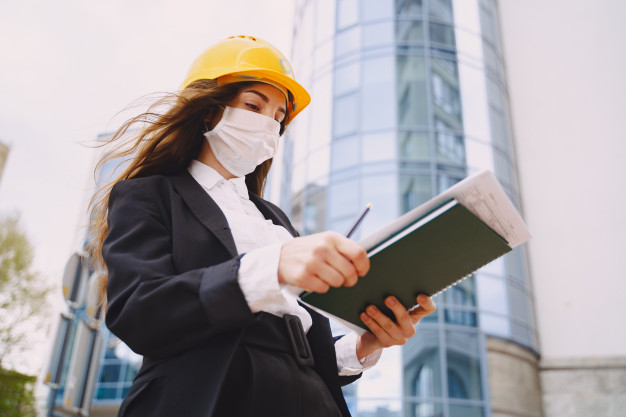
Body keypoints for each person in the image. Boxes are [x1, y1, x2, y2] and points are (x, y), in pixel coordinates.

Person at [88, 35, 436, 417]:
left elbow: (302, 343)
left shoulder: (275, 219)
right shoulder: (149, 195)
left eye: (278, 118)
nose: (268, 125)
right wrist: (271, 266)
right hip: (209, 400)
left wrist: (363, 345)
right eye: (254, 105)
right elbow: (139, 311)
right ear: (209, 110)